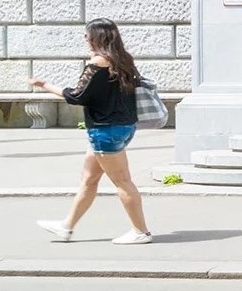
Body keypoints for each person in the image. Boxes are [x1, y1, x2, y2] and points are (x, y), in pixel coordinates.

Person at [29, 19, 152, 244]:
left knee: (123, 181)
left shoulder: (97, 64)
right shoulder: (124, 60)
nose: (85, 41)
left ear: (96, 38)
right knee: (88, 179)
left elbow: (77, 96)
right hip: (123, 126)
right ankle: (66, 227)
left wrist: (44, 84)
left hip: (105, 131)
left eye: (87, 37)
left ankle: (140, 232)